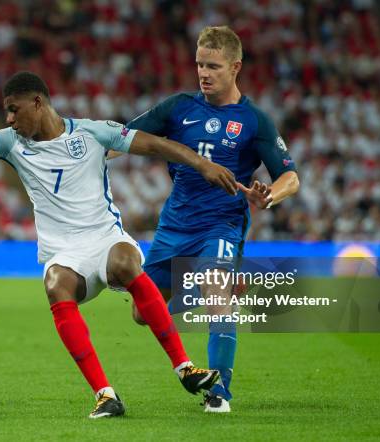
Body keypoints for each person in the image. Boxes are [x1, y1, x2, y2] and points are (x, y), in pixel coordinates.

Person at [0, 71, 239, 418]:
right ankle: (105, 395)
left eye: (13, 110)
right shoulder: (10, 143)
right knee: (56, 285)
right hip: (64, 254)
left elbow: (156, 144)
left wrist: (203, 164)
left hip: (105, 238)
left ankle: (185, 369)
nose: (8, 119)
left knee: (127, 262)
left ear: (37, 103)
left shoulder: (94, 132)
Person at [126, 26, 300, 413]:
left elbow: (291, 176)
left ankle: (219, 393)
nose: (204, 73)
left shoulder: (254, 121)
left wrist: (268, 196)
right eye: (200, 64)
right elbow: (124, 137)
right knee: (142, 313)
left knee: (216, 295)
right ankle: (212, 288)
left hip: (221, 224)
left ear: (235, 67)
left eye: (214, 66)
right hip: (174, 226)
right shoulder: (177, 107)